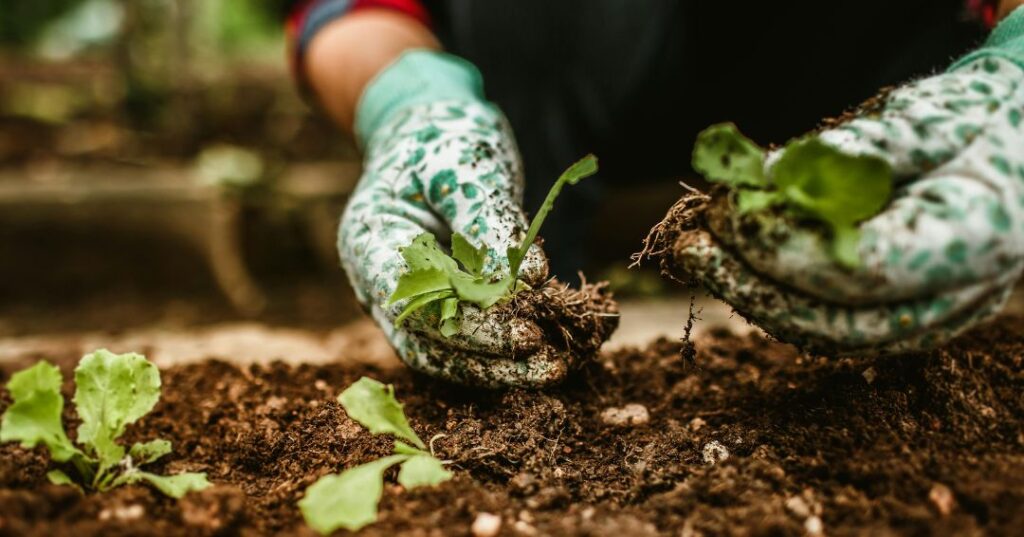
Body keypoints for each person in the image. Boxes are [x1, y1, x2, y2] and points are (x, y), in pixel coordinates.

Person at [283, 0, 1024, 386]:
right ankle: (542, 317)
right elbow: (348, 12)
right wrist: (408, 99)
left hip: (899, 54)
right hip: (561, 67)